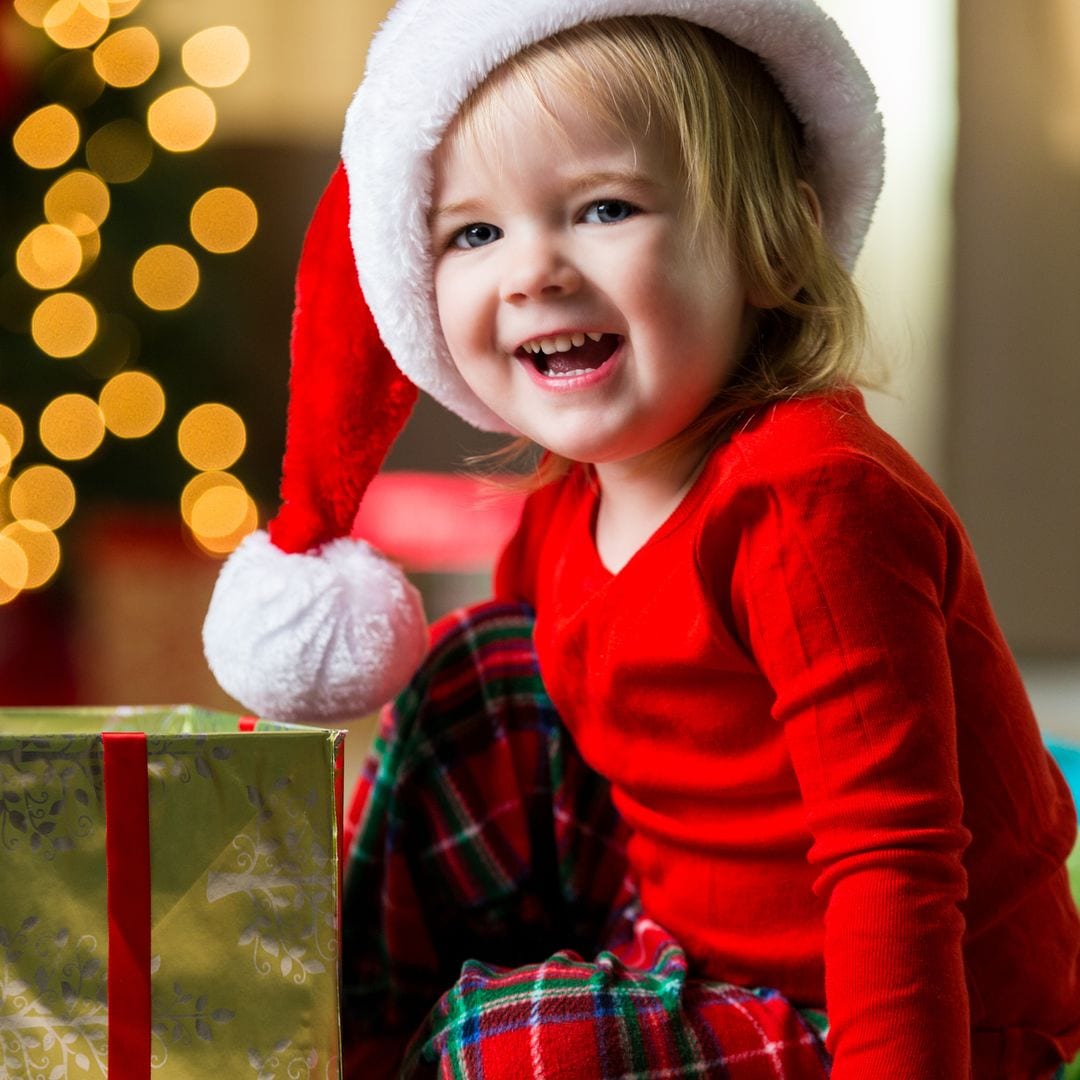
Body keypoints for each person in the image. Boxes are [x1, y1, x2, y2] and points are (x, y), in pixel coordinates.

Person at [202, 1, 1080, 1077]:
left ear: (775, 249)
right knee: (479, 670)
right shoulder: (572, 503)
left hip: (896, 1011)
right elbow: (520, 767)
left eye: (604, 208)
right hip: (687, 929)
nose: (533, 271)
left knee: (508, 1050)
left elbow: (892, 858)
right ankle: (350, 1036)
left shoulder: (809, 505)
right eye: (475, 233)